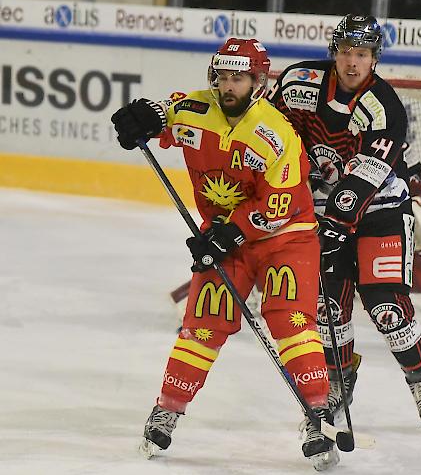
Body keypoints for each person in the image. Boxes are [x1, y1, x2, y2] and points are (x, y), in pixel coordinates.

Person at [111, 38, 339, 471]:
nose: (228, 86)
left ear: (258, 82)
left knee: (288, 320)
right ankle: (169, 407)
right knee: (203, 322)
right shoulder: (196, 109)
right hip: (225, 236)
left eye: (239, 78)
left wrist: (229, 232)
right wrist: (142, 118)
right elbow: (164, 115)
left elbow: (282, 205)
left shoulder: (276, 133)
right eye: (222, 77)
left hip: (286, 238)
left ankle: (317, 413)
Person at [268, 14, 421, 428]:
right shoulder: (299, 83)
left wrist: (336, 221)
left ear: (374, 58)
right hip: (321, 212)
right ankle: (337, 381)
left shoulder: (384, 106)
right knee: (329, 307)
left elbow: (366, 175)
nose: (352, 63)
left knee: (387, 307)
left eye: (361, 54)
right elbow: (269, 131)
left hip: (379, 210)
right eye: (346, 52)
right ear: (335, 52)